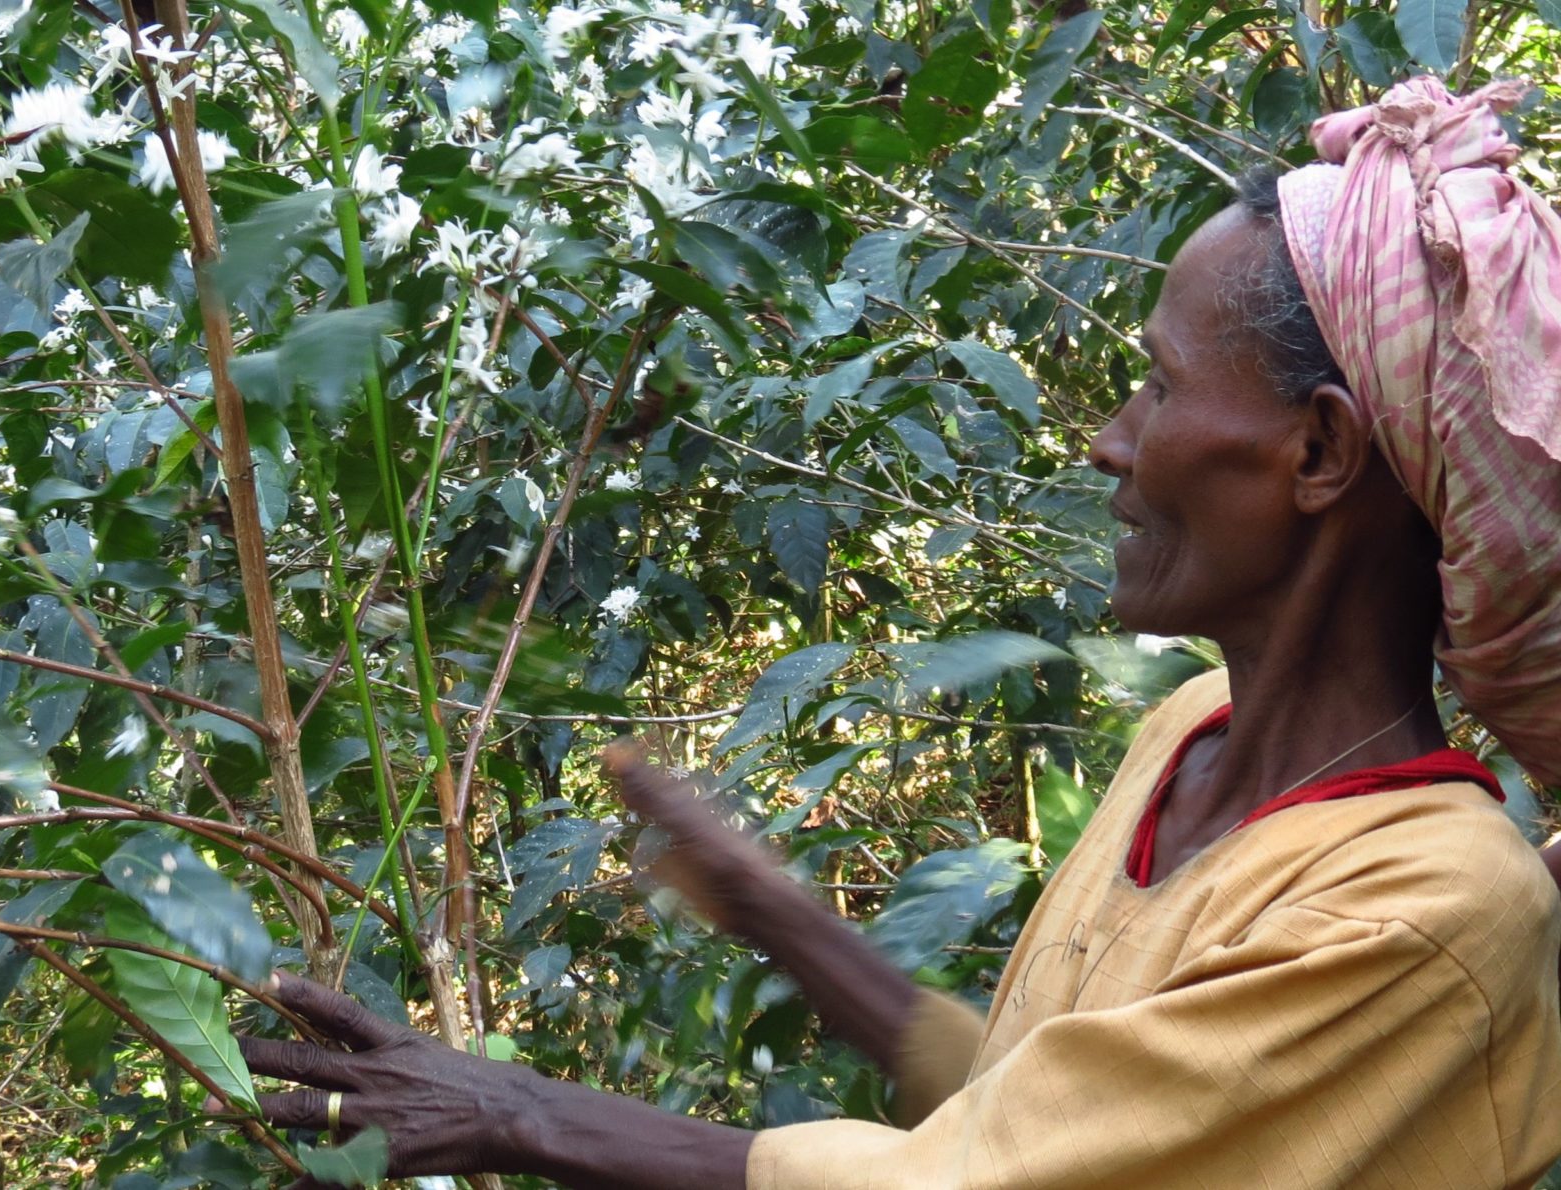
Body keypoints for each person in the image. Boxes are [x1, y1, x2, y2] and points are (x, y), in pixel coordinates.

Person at [229, 78, 1561, 1188]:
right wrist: (772, 912)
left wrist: (523, 1110)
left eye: (1158, 383)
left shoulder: (1430, 913)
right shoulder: (1187, 742)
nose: (1112, 440)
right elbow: (1039, 1112)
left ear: (1319, 449)